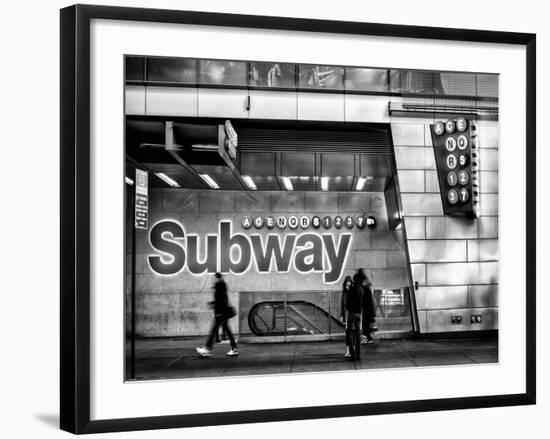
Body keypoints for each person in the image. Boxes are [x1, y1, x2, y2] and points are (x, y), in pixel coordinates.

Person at [196, 273, 238, 357]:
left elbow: (222, 300)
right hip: (223, 312)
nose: (212, 279)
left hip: (221, 313)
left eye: (214, 278)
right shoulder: (221, 285)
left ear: (216, 278)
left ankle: (207, 348)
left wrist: (218, 311)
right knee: (227, 330)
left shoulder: (219, 286)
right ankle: (234, 348)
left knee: (214, 330)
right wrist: (213, 304)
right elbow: (222, 299)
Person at [345, 270, 365, 360]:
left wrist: (348, 308)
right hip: (359, 313)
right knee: (357, 333)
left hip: (352, 313)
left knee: (349, 332)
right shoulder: (361, 289)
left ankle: (352, 354)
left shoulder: (352, 289)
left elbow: (348, 301)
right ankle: (358, 354)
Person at [360, 271, 376, 344]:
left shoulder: (365, 289)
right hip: (369, 310)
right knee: (367, 324)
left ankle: (367, 338)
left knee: (365, 324)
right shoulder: (367, 289)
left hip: (366, 310)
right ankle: (368, 338)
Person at [340, 276, 353, 358]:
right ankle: (348, 350)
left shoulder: (353, 292)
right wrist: (341, 315)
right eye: (347, 282)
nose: (348, 283)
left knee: (352, 334)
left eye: (350, 282)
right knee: (347, 334)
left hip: (352, 314)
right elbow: (341, 304)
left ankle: (352, 350)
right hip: (346, 315)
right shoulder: (344, 292)